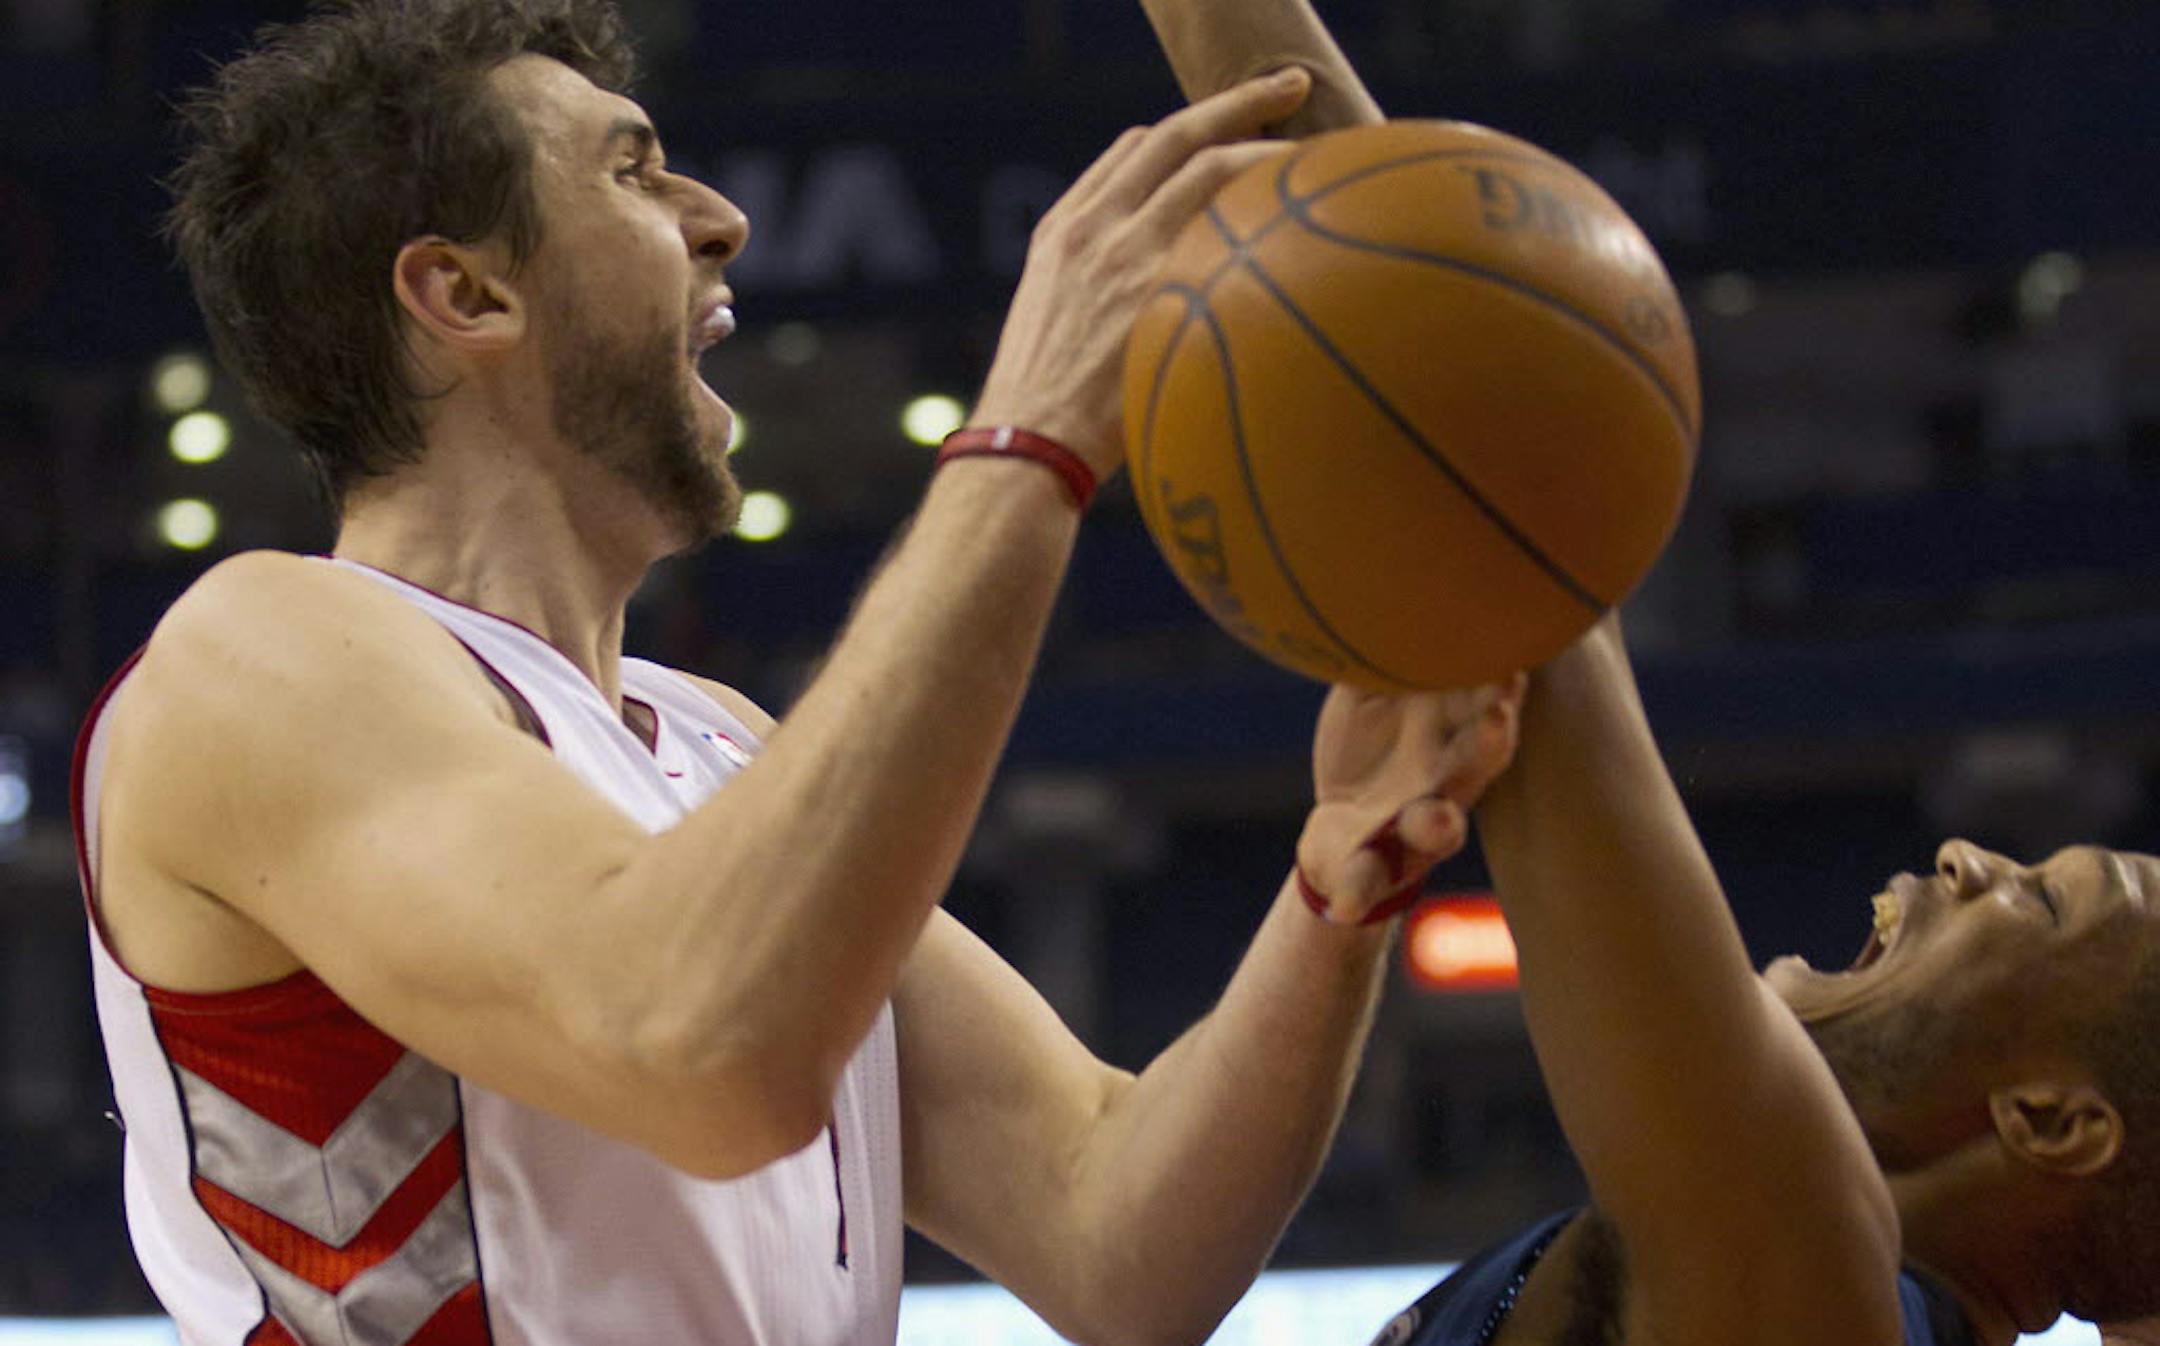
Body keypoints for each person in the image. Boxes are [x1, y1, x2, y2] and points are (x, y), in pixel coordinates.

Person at [72, 1, 1526, 1342]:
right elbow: (704, 1050)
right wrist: (1031, 434)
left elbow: (1116, 1236)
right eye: (634, 174)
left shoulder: (719, 742)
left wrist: (1336, 889)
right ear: (464, 291)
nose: (722, 218)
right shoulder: (255, 658)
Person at [1141, 4, 2160, 1343]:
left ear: (2051, 1120)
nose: (1970, 856)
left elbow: (1497, 488)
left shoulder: (1815, 1294)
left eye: (2039, 900)